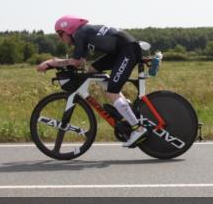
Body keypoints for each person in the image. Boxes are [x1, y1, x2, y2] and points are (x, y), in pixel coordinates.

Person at [37, 16, 147, 147]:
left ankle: (138, 129)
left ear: (68, 29)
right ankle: (124, 107)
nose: (60, 38)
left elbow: (76, 62)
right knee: (92, 70)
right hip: (122, 49)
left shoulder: (80, 34)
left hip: (127, 50)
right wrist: (60, 63)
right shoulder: (83, 33)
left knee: (112, 92)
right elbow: (81, 62)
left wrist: (52, 63)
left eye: (60, 34)